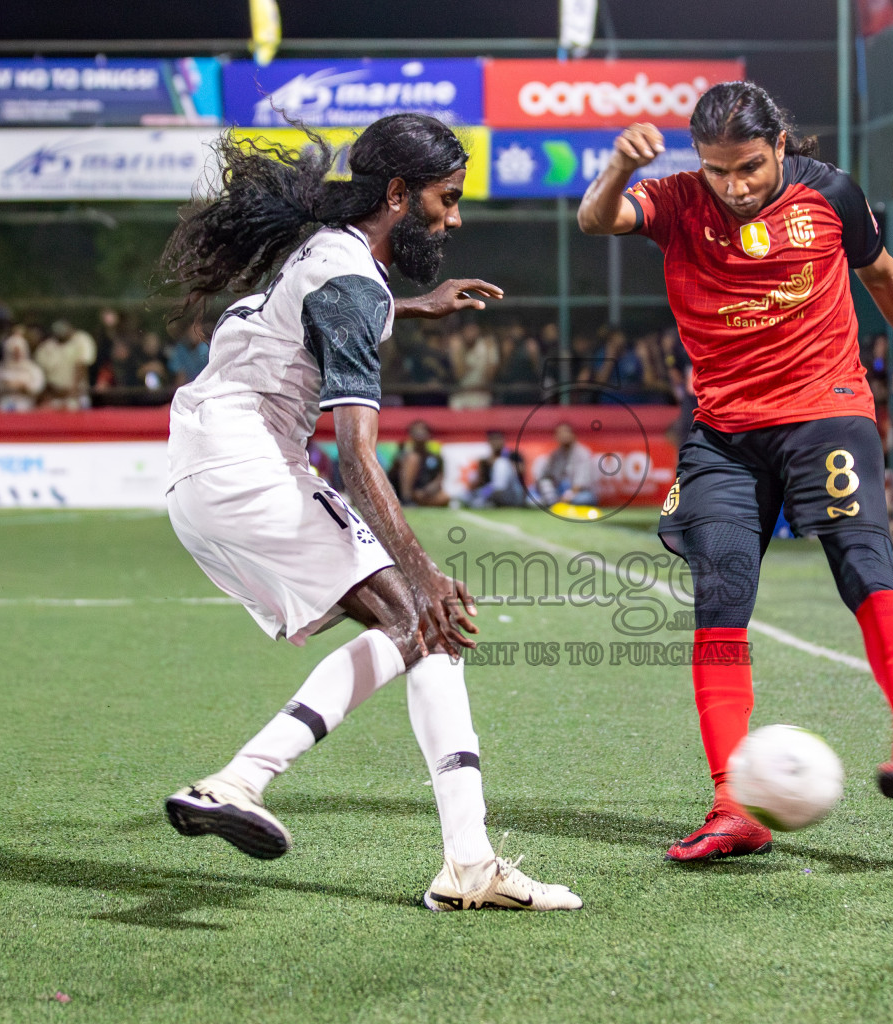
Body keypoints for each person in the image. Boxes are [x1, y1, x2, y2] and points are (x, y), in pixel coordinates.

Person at [157, 115, 579, 911]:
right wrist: (425, 571)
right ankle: (239, 781)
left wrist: (415, 306)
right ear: (397, 193)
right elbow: (356, 458)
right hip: (247, 466)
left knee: (428, 636)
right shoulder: (349, 283)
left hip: (199, 474)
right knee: (418, 612)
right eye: (445, 200)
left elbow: (312, 318)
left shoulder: (323, 258)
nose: (454, 219)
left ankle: (470, 864)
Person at [577, 82, 893, 860]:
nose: (733, 187)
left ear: (780, 147)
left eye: (749, 168)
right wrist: (612, 170)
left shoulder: (830, 192)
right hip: (724, 435)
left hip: (825, 412)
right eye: (717, 171)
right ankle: (733, 805)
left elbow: (885, 279)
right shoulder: (673, 199)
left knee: (863, 564)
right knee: (720, 597)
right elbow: (599, 219)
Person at [35, 319, 97, 409]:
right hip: (54, 396)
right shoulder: (46, 348)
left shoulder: (81, 340)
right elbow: (42, 374)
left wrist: (73, 391)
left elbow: (81, 366)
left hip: (77, 395)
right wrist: (55, 392)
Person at [534, 421, 597, 506]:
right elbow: (547, 477)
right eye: (560, 433)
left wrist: (568, 496)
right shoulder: (555, 455)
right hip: (558, 492)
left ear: (573, 435)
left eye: (566, 432)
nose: (563, 436)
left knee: (585, 499)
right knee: (532, 498)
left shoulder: (582, 453)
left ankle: (556, 504)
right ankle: (553, 503)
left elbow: (581, 483)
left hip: (578, 493)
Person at [390, 419, 450, 507]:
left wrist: (429, 489)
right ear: (411, 435)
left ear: (429, 435)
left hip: (424, 493)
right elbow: (392, 476)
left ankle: (418, 502)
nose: (420, 434)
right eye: (416, 431)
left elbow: (439, 477)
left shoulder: (435, 457)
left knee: (445, 497)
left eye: (423, 431)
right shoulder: (404, 454)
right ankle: (407, 500)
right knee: (413, 458)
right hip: (405, 492)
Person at [470, 428, 527, 507]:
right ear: (489, 442)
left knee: (501, 463)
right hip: (491, 494)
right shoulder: (484, 461)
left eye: (498, 439)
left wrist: (498, 462)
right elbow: (479, 483)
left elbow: (522, 470)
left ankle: (495, 492)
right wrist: (483, 468)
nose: (496, 442)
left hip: (513, 493)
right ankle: (487, 499)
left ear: (503, 440)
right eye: (493, 440)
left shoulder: (512, 455)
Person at [0, 333, 46, 412]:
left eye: (19, 351)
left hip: (27, 407)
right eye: (13, 352)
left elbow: (37, 388)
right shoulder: (0, 368)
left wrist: (23, 387)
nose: (16, 354)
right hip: (5, 407)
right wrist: (8, 386)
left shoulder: (33, 369)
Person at [167, 323, 211, 388]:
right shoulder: (180, 349)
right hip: (188, 388)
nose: (194, 334)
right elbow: (180, 375)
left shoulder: (209, 348)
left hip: (207, 387)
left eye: (197, 331)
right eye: (192, 332)